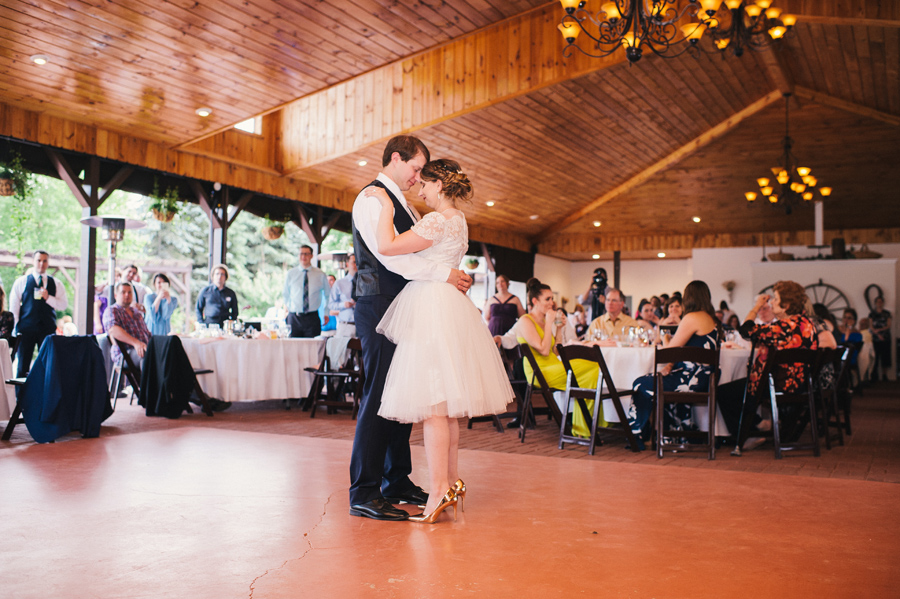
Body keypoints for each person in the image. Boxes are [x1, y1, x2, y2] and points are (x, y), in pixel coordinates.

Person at [365, 157, 512, 523]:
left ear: (440, 185)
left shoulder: (435, 220)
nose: (422, 189)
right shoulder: (459, 221)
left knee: (433, 409)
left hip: (432, 308)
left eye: (426, 184)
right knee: (444, 410)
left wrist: (385, 204)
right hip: (449, 307)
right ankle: (451, 482)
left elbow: (387, 246)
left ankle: (437, 492)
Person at [347, 135, 472, 522]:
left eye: (423, 173)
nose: (418, 178)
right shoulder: (372, 199)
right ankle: (364, 490)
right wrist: (445, 274)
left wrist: (445, 273)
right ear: (396, 159)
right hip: (380, 302)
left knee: (404, 391)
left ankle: (396, 480)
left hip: (406, 304)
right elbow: (393, 259)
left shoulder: (400, 201)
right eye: (416, 168)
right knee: (381, 393)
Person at [717, 281, 818, 449]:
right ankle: (759, 424)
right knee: (739, 388)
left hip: (775, 384)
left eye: (775, 299)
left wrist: (757, 306)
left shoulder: (781, 327)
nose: (770, 302)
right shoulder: (807, 324)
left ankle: (745, 435)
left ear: (785, 306)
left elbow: (745, 330)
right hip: (802, 384)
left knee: (723, 392)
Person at [629, 281, 721, 446]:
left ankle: (637, 435)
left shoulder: (692, 317)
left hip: (690, 380)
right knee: (658, 381)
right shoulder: (711, 319)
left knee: (640, 384)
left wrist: (665, 336)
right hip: (706, 378)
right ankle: (673, 435)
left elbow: (669, 352)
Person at [517, 277, 602, 439]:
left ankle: (584, 426)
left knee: (593, 370)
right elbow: (542, 350)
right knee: (592, 369)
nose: (551, 303)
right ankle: (584, 427)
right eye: (547, 299)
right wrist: (550, 323)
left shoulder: (544, 321)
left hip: (553, 365)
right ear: (535, 301)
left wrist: (559, 328)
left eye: (552, 299)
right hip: (539, 372)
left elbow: (555, 351)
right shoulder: (525, 321)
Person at [10, 250, 69, 377]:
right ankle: (20, 396)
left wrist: (49, 298)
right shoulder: (22, 282)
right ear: (33, 262)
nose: (41, 264)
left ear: (48, 263)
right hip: (26, 329)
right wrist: (14, 330)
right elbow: (14, 308)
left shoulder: (56, 283)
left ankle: (44, 396)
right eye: (38, 260)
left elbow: (63, 305)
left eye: (44, 261)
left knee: (48, 365)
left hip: (47, 329)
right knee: (22, 366)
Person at [283, 245, 331, 338]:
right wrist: (290, 308)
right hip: (294, 318)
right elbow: (285, 294)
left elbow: (328, 295)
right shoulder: (291, 274)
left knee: (312, 349)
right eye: (301, 254)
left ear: (311, 256)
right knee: (292, 349)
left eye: (306, 254)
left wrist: (326, 313)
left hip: (312, 318)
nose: (303, 256)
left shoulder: (320, 274)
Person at [328, 253, 358, 337]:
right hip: (345, 325)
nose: (356, 265)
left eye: (358, 262)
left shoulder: (365, 283)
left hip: (362, 325)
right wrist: (343, 305)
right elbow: (331, 305)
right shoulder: (339, 283)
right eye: (354, 262)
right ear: (347, 264)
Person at [868, 297, 892, 381]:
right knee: (875, 356)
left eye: (881, 302)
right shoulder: (872, 314)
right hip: (875, 338)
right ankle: (874, 374)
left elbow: (888, 325)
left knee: (885, 356)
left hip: (885, 337)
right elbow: (871, 326)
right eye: (878, 302)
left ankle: (884, 375)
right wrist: (877, 333)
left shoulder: (887, 313)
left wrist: (881, 330)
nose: (879, 303)